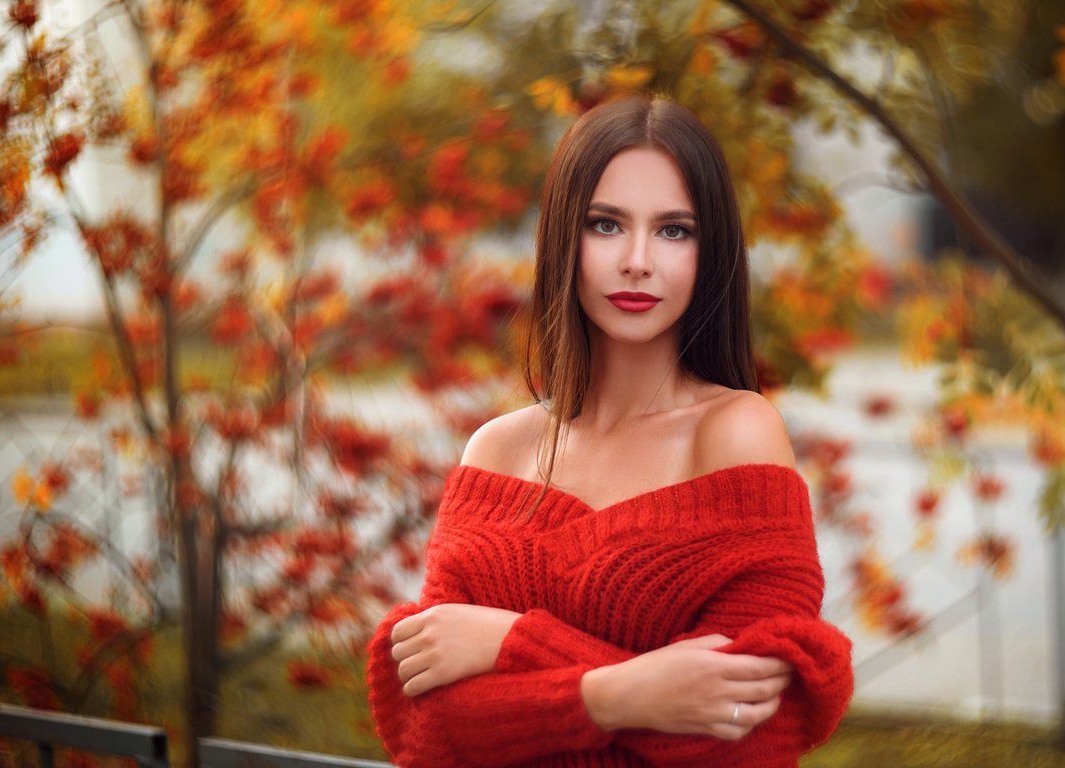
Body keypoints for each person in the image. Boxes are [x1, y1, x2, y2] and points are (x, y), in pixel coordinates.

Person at [365, 95, 853, 768]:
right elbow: (426, 729)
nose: (637, 260)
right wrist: (631, 693)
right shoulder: (496, 453)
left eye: (674, 230)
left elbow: (749, 734)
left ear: (710, 253)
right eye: (605, 224)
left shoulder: (734, 432)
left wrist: (510, 645)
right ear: (564, 237)